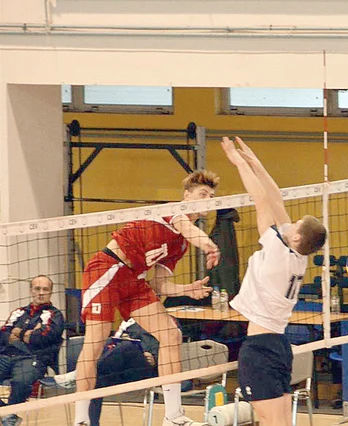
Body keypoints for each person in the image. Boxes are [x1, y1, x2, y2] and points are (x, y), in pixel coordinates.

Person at [73, 170, 221, 426]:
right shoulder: (172, 212)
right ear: (187, 196)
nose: (207, 199)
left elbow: (159, 284)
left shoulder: (181, 244)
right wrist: (210, 245)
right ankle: (81, 419)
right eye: (202, 194)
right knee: (95, 342)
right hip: (108, 268)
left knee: (171, 334)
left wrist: (186, 289)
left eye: (211, 196)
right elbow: (189, 229)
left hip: (135, 280)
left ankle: (173, 416)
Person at [221, 136, 326, 426]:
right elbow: (276, 198)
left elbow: (262, 200)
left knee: (272, 421)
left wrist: (238, 161)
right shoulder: (298, 257)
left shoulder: (280, 252)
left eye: (295, 224)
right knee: (280, 421)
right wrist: (257, 163)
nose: (290, 222)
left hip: (261, 349)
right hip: (278, 345)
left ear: (296, 237)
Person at [55, 318, 187, 426]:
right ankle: (89, 422)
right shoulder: (127, 322)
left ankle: (81, 374)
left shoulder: (167, 320)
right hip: (121, 367)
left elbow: (171, 347)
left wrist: (154, 357)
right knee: (96, 379)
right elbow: (112, 344)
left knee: (127, 347)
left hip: (148, 368)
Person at [0, 275, 65, 426]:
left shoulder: (55, 315)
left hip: (33, 359)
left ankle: (9, 416)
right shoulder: (19, 312)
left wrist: (19, 332)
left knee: (21, 381)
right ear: (31, 291)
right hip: (8, 356)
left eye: (45, 289)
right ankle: (5, 413)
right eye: (37, 289)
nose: (41, 293)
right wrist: (28, 334)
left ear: (50, 293)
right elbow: (3, 335)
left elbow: (44, 337)